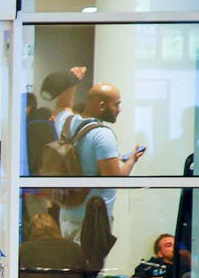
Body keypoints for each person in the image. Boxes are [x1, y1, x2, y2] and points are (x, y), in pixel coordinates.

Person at [57, 83, 141, 241]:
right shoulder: (102, 135)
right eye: (116, 104)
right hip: (92, 221)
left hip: (66, 216)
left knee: (70, 263)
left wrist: (73, 81)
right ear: (102, 106)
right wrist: (131, 160)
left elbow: (62, 105)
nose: (119, 109)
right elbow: (114, 179)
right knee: (89, 266)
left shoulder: (67, 123)